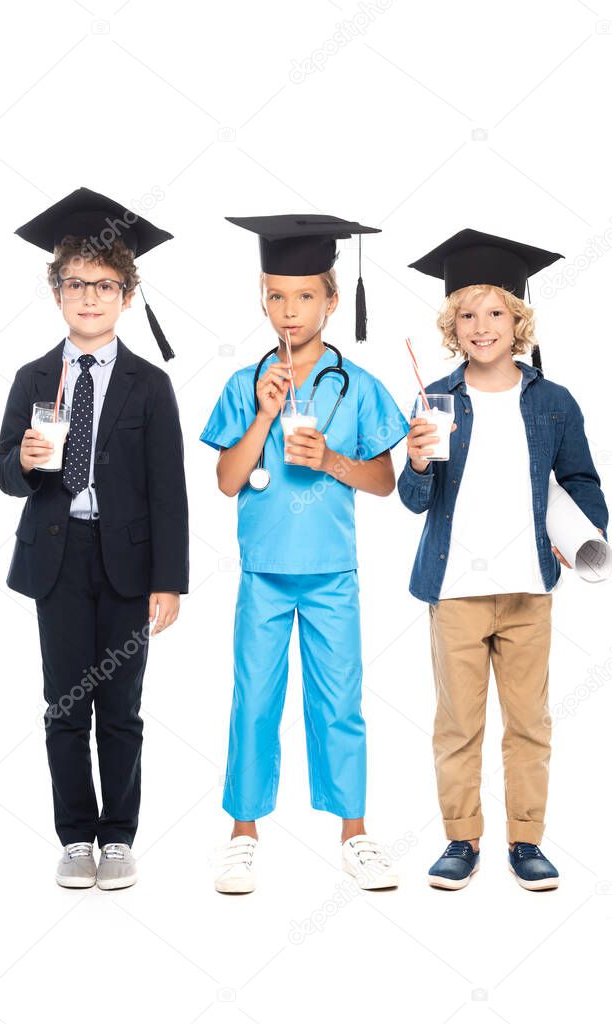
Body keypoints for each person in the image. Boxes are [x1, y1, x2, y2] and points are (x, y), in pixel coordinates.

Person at [201, 214, 409, 894]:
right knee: (254, 700)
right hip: (263, 575)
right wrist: (262, 416)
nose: (288, 311)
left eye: (303, 296)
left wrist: (332, 461)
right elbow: (229, 481)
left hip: (330, 575)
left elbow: (383, 483)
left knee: (339, 703)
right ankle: (242, 832)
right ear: (263, 300)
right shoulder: (243, 384)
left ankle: (354, 834)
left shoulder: (359, 387)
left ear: (330, 301)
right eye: (275, 296)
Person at [399, 228, 609, 890]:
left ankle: (526, 840)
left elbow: (580, 479)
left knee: (528, 724)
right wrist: (415, 460)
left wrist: (578, 533)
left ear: (517, 320)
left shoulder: (550, 400)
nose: (480, 326)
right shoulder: (435, 399)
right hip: (454, 590)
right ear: (449, 324)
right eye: (466, 313)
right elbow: (412, 499)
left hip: (527, 590)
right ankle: (461, 838)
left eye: (495, 312)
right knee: (457, 725)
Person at [0, 188, 189, 890]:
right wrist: (23, 460)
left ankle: (119, 834)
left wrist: (169, 579)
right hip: (59, 558)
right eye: (75, 283)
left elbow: (169, 491)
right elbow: (2, 473)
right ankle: (76, 836)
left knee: (122, 708)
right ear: (56, 292)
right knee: (66, 701)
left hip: (128, 564)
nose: (89, 297)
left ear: (127, 296)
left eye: (104, 285)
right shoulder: (33, 378)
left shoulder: (149, 385)